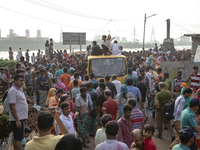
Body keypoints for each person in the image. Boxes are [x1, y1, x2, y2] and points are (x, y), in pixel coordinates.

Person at [8, 75, 28, 150]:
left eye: (23, 81)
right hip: (18, 118)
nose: (22, 82)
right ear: (15, 81)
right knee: (19, 138)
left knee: (16, 136)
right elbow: (12, 106)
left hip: (21, 117)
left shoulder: (19, 89)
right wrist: (17, 120)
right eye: (20, 81)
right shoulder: (13, 91)